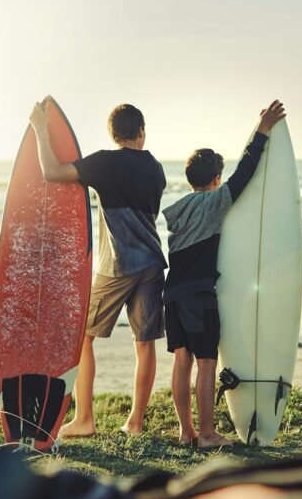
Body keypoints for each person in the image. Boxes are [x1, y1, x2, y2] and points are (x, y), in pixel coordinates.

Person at [28, 100, 167, 437]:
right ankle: (135, 423)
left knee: (83, 338)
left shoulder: (105, 163)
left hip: (117, 264)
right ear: (141, 133)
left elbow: (52, 172)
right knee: (144, 343)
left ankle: (85, 419)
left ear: (112, 134)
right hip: (151, 262)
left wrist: (40, 131)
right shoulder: (156, 169)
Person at [162, 99, 286, 449]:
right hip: (199, 296)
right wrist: (261, 132)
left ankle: (185, 431)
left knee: (181, 361)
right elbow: (245, 173)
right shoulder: (215, 201)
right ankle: (206, 435)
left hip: (172, 295)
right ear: (215, 180)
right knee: (206, 363)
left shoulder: (181, 209)